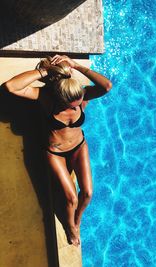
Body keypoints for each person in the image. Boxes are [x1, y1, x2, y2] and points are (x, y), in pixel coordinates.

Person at [4, 55, 112, 247]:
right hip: (55, 152)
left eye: (79, 101)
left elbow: (106, 86)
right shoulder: (45, 98)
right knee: (71, 198)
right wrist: (44, 72)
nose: (77, 105)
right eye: (71, 104)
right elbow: (11, 86)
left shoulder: (80, 96)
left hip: (79, 147)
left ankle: (78, 220)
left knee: (87, 193)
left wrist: (76, 66)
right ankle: (70, 227)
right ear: (60, 97)